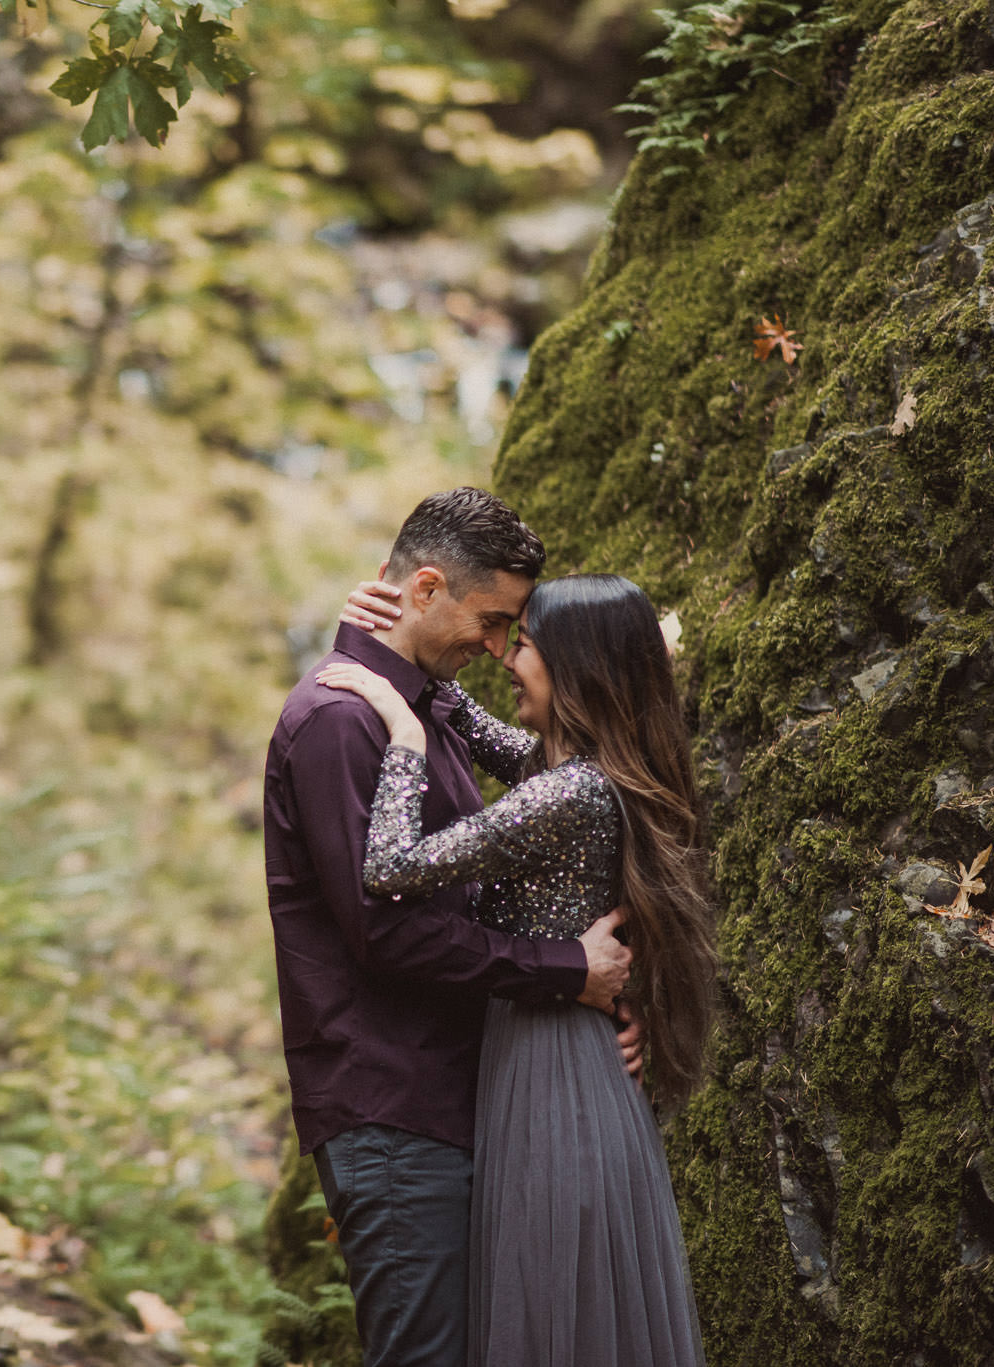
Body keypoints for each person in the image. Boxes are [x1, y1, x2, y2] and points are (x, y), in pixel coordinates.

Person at [262, 487, 640, 1367]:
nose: (500, 647)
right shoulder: (339, 720)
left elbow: (587, 792)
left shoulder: (426, 704)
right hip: (392, 1109)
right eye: (491, 619)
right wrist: (565, 971)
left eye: (515, 630)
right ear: (425, 587)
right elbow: (385, 933)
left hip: (461, 1096)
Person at [325, 569, 711, 1366]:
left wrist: (402, 739)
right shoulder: (567, 769)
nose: (506, 658)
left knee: (549, 1302)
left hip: (554, 1075)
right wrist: (387, 635)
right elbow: (462, 712)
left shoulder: (567, 791)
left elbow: (393, 864)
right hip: (554, 1058)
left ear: (577, 669)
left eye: (524, 645)